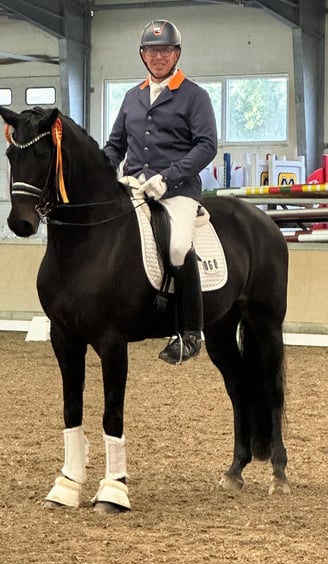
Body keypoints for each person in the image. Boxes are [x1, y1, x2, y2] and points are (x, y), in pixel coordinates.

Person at [103, 19, 218, 364]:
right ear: (143, 55)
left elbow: (207, 145)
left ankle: (190, 333)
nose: (158, 57)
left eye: (165, 50)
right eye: (152, 51)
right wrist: (101, 172)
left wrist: (169, 177)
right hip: (136, 186)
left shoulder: (194, 96)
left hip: (178, 190)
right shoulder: (131, 96)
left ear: (176, 54)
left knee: (179, 246)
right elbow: (114, 146)